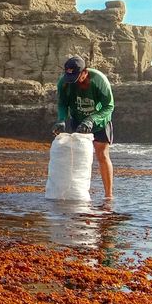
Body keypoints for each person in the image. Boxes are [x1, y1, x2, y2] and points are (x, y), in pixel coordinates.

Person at [52, 56, 115, 199]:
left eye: (76, 77)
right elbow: (62, 104)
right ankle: (75, 192)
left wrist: (92, 119)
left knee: (102, 155)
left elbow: (109, 106)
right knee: (77, 156)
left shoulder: (99, 80)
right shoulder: (64, 82)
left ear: (85, 72)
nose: (72, 81)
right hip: (78, 120)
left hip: (99, 121)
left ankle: (108, 196)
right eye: (69, 77)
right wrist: (61, 120)